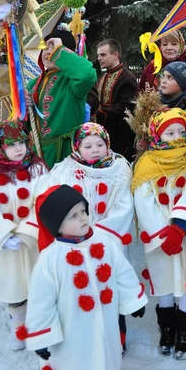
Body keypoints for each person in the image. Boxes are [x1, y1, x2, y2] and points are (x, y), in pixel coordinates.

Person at [20, 184, 147, 370]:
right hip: (70, 334)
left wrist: (133, 300)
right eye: (74, 216)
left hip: (104, 323)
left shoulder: (105, 242)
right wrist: (42, 337)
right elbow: (41, 302)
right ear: (57, 226)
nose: (83, 218)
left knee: (108, 359)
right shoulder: (50, 259)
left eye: (83, 211)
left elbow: (121, 271)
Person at [132, 108, 186, 360]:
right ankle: (166, 326)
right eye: (169, 132)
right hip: (160, 238)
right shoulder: (147, 163)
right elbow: (143, 199)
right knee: (163, 277)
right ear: (158, 134)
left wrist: (179, 225)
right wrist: (162, 232)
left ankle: (185, 329)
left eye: (181, 131)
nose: (177, 136)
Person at [46, 122, 134, 351]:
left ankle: (117, 336)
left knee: (109, 287)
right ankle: (85, 338)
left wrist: (101, 235)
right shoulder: (64, 171)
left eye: (100, 144)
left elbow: (124, 206)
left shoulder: (120, 169)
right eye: (88, 145)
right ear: (77, 147)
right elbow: (57, 204)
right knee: (82, 290)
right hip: (76, 243)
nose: (95, 149)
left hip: (109, 242)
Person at [0, 120, 47, 349]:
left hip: (33, 243)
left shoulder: (38, 169)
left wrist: (27, 232)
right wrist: (2, 234)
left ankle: (40, 327)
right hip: (8, 247)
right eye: (11, 145)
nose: (19, 148)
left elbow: (42, 201)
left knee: (39, 285)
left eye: (22, 142)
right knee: (14, 290)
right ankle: (18, 328)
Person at [27, 29, 97, 169]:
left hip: (66, 152)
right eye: (45, 48)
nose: (47, 53)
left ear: (65, 53)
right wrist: (24, 108)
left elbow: (87, 75)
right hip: (38, 154)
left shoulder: (72, 80)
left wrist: (59, 50)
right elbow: (28, 124)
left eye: (53, 48)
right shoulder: (33, 84)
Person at [94, 39, 138, 160]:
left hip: (119, 137)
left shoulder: (127, 78)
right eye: (98, 55)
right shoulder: (103, 77)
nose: (99, 58)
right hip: (102, 134)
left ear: (115, 55)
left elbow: (125, 108)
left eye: (103, 54)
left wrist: (98, 114)